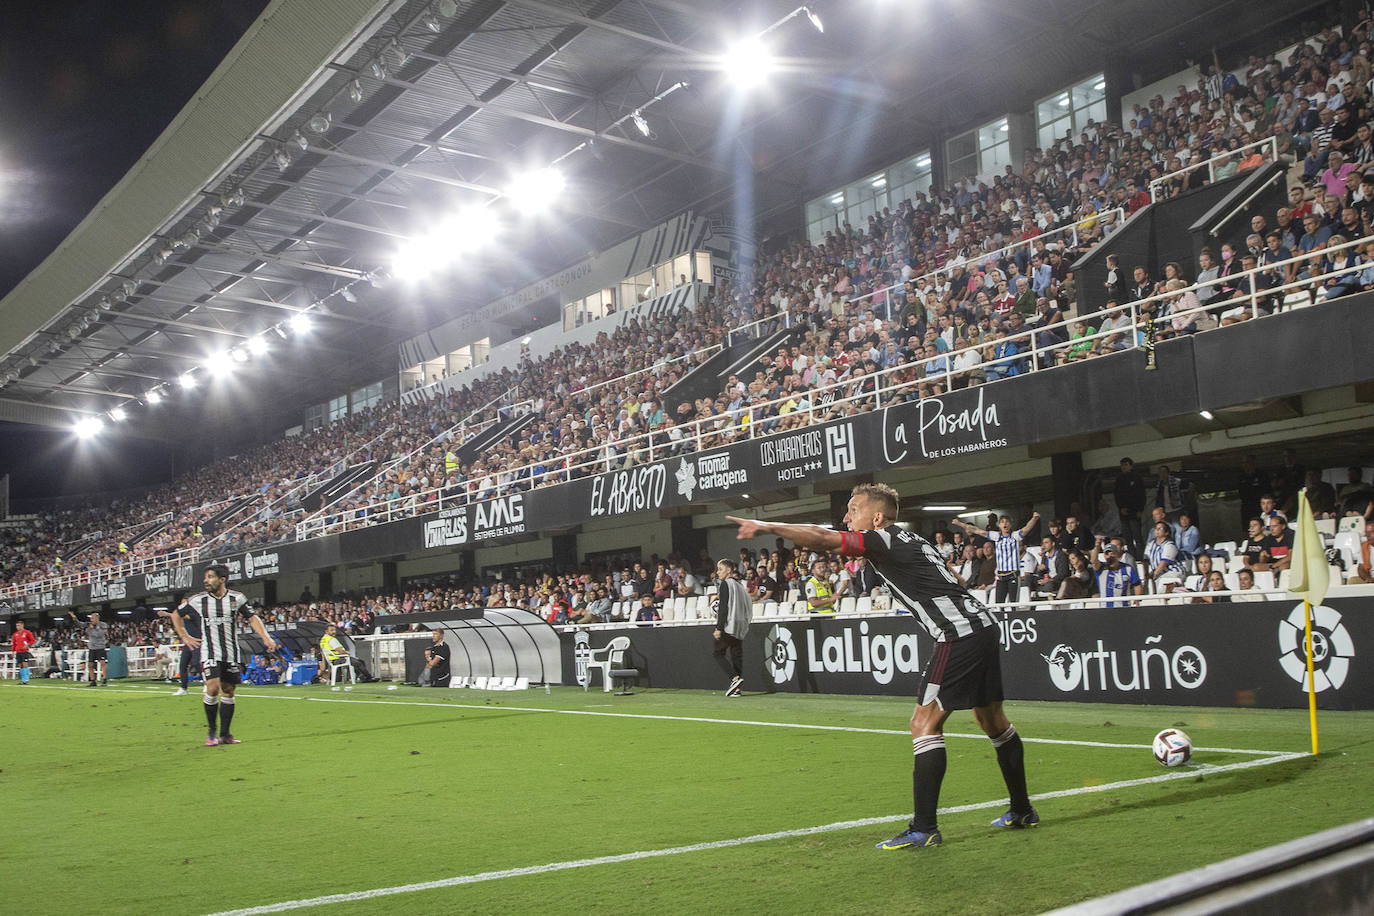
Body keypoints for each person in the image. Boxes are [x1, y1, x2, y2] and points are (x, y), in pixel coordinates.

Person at [728, 483, 1038, 851]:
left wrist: (769, 527)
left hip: (959, 634)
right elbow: (951, 581)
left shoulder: (882, 538)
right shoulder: (914, 540)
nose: (846, 518)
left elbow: (825, 540)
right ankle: (1021, 809)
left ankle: (923, 828)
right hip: (981, 626)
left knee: (923, 724)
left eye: (853, 509)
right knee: (991, 721)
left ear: (876, 516)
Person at [173, 564, 277, 747]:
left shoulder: (237, 598)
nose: (206, 580)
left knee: (228, 690)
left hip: (231, 653)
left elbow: (252, 618)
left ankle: (225, 734)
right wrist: (184, 636)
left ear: (222, 579)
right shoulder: (198, 600)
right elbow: (176, 614)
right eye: (206, 577)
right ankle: (211, 732)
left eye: (211, 577)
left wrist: (265, 637)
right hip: (209, 652)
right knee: (212, 688)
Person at [952, 510, 1040, 604]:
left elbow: (1026, 529)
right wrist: (960, 524)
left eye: (1007, 522)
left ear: (1010, 525)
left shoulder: (1015, 536)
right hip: (1001, 576)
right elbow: (977, 530)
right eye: (1002, 522)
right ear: (999, 525)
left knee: (1014, 602)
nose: (1005, 524)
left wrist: (1034, 518)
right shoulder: (996, 536)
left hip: (1013, 574)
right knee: (999, 603)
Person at [711, 559, 753, 698]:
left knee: (718, 653)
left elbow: (723, 607)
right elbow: (748, 604)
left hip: (729, 624)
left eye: (720, 569)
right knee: (736, 655)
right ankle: (737, 689)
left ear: (728, 570)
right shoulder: (740, 585)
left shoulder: (725, 584)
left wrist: (719, 627)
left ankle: (734, 679)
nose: (718, 572)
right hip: (741, 625)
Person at [1091, 540, 1143, 608]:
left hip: (1124, 608)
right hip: (1105, 609)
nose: (1109, 556)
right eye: (1107, 553)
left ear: (1117, 554)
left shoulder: (1128, 568)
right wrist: (1097, 547)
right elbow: (1094, 562)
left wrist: (1137, 599)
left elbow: (1137, 585)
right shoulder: (1101, 568)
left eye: (1112, 553)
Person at [76, 612, 110, 686]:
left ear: (97, 618)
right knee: (90, 664)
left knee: (103, 663)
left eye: (92, 618)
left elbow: (99, 634)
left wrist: (93, 628)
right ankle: (93, 681)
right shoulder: (89, 625)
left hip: (100, 647)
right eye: (91, 618)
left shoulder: (103, 625)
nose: (91, 620)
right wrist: (74, 617)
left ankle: (104, 680)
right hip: (92, 647)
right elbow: (80, 624)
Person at [319, 624, 355, 690]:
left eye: (334, 630)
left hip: (330, 660)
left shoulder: (323, 640)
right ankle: (365, 678)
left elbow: (323, 653)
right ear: (326, 631)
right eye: (332, 630)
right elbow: (340, 651)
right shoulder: (331, 639)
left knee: (354, 661)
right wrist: (347, 653)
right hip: (337, 659)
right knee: (358, 662)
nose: (334, 632)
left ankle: (350, 678)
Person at [10, 621, 36, 685]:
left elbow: (32, 640)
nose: (17, 627)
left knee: (25, 665)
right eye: (16, 626)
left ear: (22, 626)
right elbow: (14, 644)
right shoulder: (15, 634)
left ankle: (26, 680)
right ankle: (23, 680)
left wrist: (27, 645)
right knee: (20, 665)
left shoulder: (27, 632)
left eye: (18, 625)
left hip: (24, 651)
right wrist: (13, 652)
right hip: (18, 652)